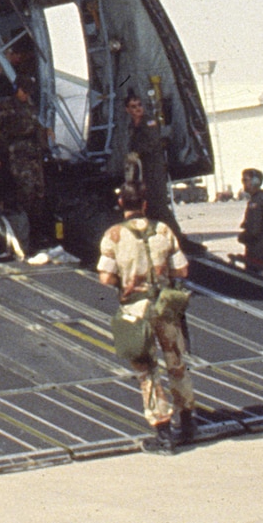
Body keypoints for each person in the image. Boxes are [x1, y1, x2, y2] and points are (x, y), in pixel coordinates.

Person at [97, 185, 194, 452]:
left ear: (121, 203)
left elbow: (105, 277)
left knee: (147, 371)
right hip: (166, 306)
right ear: (145, 203)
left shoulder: (113, 235)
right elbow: (183, 269)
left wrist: (126, 281)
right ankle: (187, 423)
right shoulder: (163, 230)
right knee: (176, 363)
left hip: (135, 310)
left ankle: (163, 434)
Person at [0, 88, 51, 251]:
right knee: (24, 194)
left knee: (39, 194)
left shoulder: (29, 105)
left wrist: (46, 132)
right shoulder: (6, 106)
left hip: (34, 155)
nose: (25, 94)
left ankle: (36, 236)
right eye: (23, 90)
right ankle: (23, 237)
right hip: (16, 155)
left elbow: (35, 125)